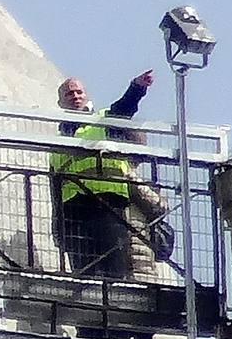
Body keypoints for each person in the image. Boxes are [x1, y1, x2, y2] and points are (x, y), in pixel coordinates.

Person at [49, 70, 155, 279]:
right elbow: (55, 188)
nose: (76, 97)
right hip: (74, 210)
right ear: (61, 102)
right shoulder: (56, 143)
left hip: (108, 205)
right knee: (83, 272)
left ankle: (114, 306)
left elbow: (124, 108)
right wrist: (58, 225)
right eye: (69, 94)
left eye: (79, 92)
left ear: (86, 96)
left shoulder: (104, 119)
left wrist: (137, 87)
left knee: (114, 269)